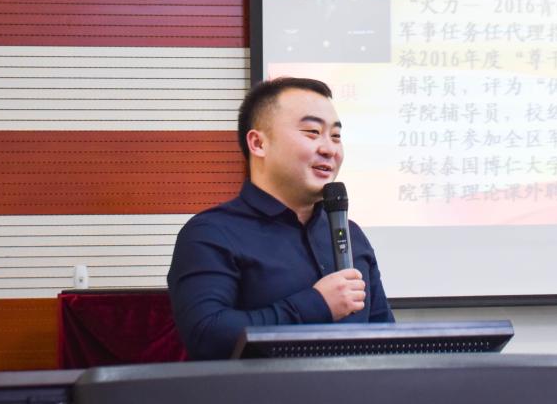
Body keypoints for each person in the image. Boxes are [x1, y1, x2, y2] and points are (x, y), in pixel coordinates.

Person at [168, 77, 394, 360]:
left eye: (336, 136)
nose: (330, 149)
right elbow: (207, 335)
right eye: (312, 132)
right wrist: (317, 304)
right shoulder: (210, 234)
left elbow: (387, 338)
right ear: (258, 143)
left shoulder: (351, 233)